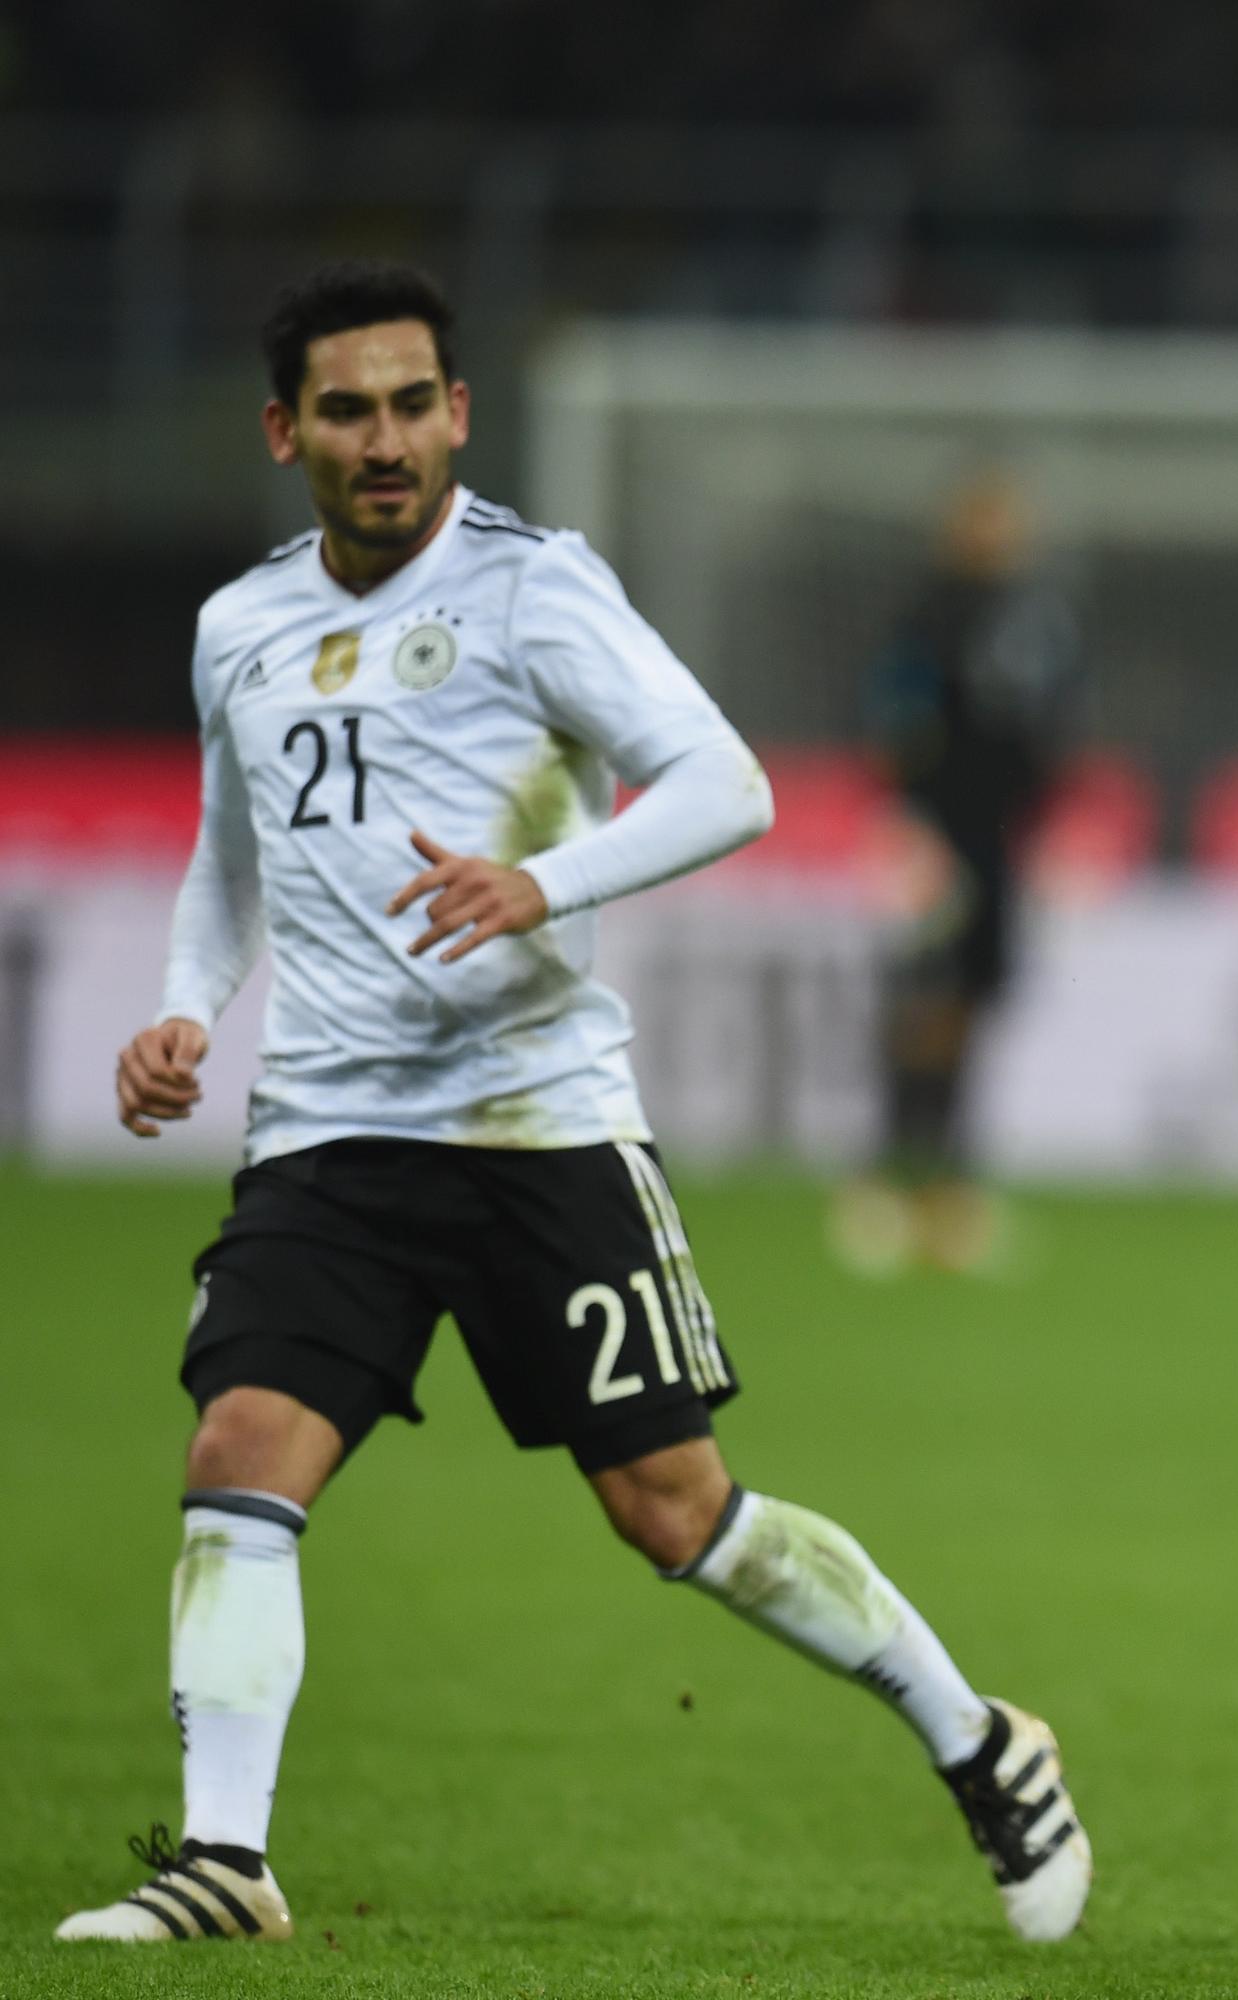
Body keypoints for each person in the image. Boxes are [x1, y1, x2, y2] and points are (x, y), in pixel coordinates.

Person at [63, 261, 1088, 1947]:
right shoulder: (238, 629)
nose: (383, 438)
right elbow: (223, 864)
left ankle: (977, 1739)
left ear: (458, 413)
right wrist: (185, 1012)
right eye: (346, 409)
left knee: (673, 1508)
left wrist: (544, 883)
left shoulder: (538, 594)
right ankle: (226, 1862)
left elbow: (727, 783)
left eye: (412, 403)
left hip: (537, 1126)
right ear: (283, 430)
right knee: (239, 1452)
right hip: (327, 1135)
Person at [833, 476, 1082, 1276]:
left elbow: (1055, 722)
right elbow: (889, 714)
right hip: (934, 833)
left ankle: (948, 1190)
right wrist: (907, 816)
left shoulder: (1034, 617)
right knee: (923, 999)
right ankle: (887, 1179)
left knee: (972, 1001)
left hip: (1001, 838)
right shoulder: (928, 614)